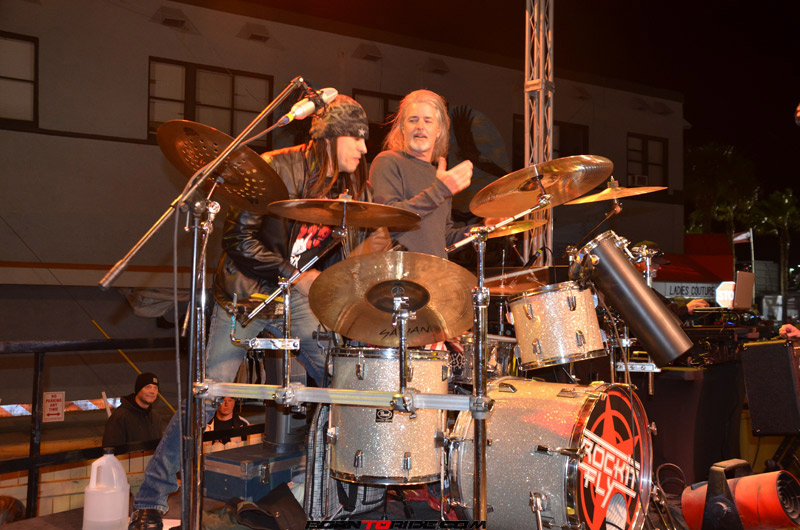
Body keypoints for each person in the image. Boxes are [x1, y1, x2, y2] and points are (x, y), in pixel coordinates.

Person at [128, 95, 376, 530]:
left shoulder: (350, 187)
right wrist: (294, 276)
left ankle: (319, 490)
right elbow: (238, 241)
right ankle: (150, 499)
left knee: (341, 385)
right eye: (357, 137)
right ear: (333, 134)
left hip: (297, 297)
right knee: (206, 397)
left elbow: (339, 256)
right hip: (246, 293)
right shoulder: (274, 168)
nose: (363, 147)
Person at [369, 89, 500, 258]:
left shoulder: (440, 177)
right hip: (402, 270)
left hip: (436, 271)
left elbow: (444, 238)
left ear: (439, 131)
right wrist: (440, 191)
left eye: (428, 121)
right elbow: (389, 220)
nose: (420, 126)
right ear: (402, 128)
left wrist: (483, 228)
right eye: (413, 120)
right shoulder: (388, 161)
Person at [102, 372, 162, 448]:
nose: (152, 391)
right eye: (148, 387)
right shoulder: (120, 417)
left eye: (155, 388)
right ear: (138, 389)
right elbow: (109, 450)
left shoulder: (156, 418)